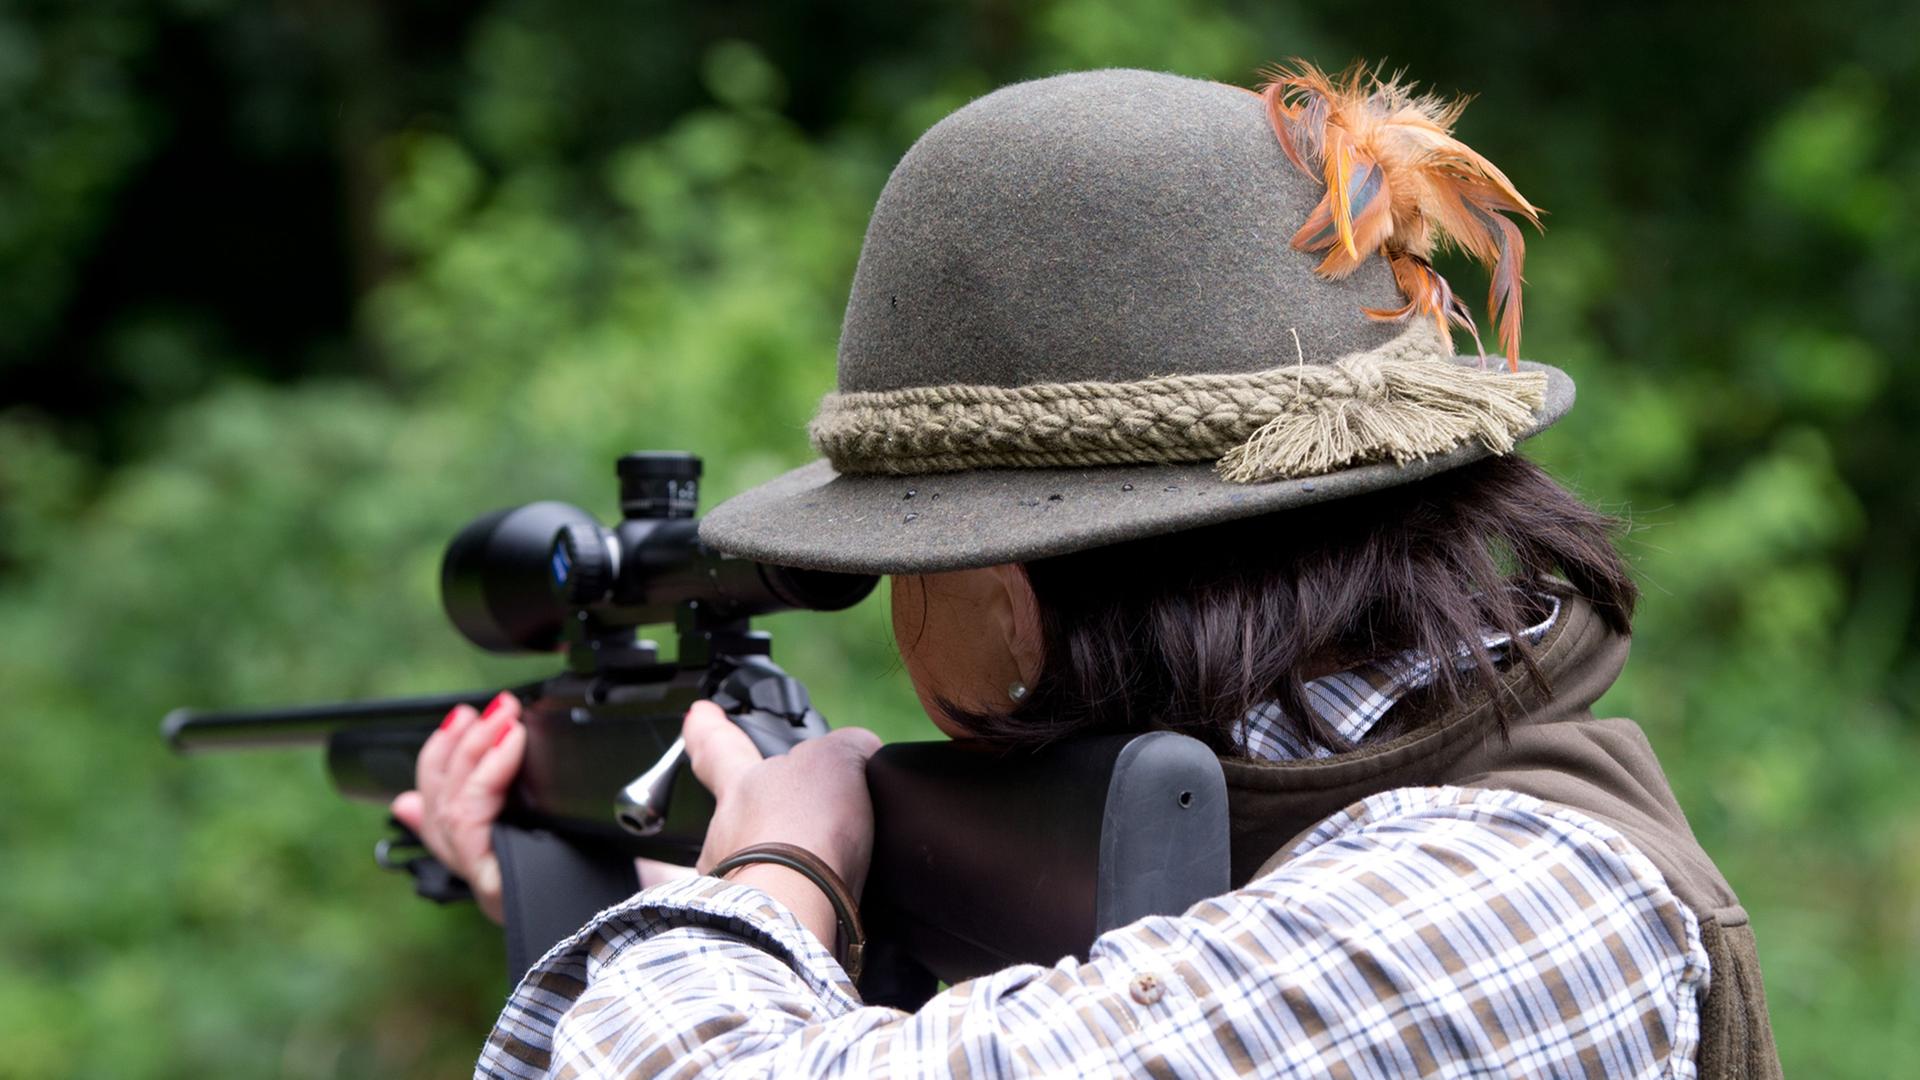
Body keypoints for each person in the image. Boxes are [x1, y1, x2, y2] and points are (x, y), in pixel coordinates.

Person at [392, 64, 1782, 1078]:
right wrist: (623, 913)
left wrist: (769, 867)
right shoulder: (1313, 871)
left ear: (1005, 598)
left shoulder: (1492, 903)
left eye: (900, 569)